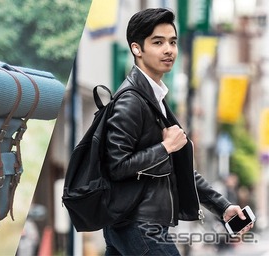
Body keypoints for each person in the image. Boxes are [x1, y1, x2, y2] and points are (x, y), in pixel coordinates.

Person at [101, 8, 253, 255]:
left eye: (172, 42)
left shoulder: (154, 99)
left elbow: (176, 167)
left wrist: (222, 206)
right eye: (158, 42)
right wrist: (165, 147)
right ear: (136, 49)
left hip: (137, 225)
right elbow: (116, 166)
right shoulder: (132, 101)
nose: (168, 49)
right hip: (139, 226)